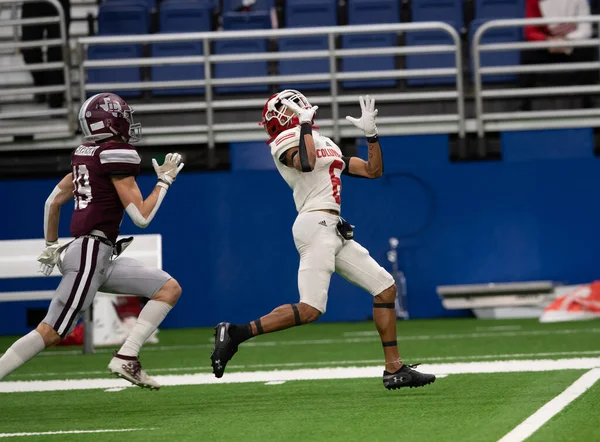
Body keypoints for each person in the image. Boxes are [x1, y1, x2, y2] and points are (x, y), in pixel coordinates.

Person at [210, 90, 435, 390]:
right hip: (314, 224)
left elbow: (372, 171)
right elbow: (305, 162)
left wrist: (372, 136)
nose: (301, 106)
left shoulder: (323, 140)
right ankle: (235, 333)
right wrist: (303, 126)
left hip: (333, 228)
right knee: (310, 309)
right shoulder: (282, 142)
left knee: (385, 289)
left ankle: (394, 369)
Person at [0, 93, 184, 390]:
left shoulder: (85, 153)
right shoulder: (115, 154)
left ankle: (127, 356)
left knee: (168, 289)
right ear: (111, 122)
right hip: (90, 253)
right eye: (123, 117)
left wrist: (50, 245)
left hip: (96, 254)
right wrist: (164, 181)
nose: (128, 122)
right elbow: (141, 216)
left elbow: (53, 201)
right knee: (51, 331)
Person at [520, 0, 596, 109]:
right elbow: (530, 31)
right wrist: (547, 41)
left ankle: (589, 103)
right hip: (547, 46)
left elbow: (586, 30)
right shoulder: (534, 1)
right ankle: (524, 106)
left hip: (572, 44)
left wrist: (566, 40)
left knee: (589, 47)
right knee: (527, 51)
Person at [21, 0, 71, 108]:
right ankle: (41, 84)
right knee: (29, 51)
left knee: (57, 53)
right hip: (32, 4)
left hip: (59, 3)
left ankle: (56, 101)